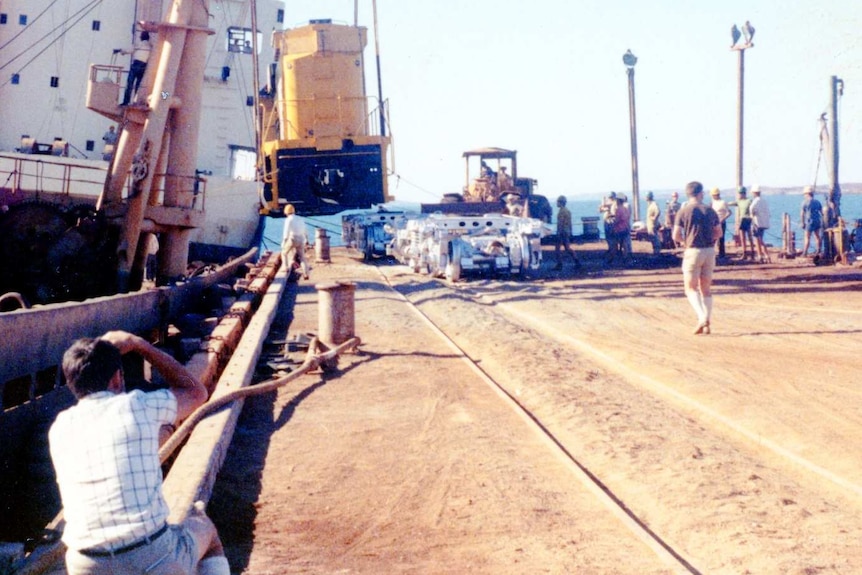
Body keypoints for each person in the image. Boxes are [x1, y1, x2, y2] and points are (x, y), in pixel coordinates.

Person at [49, 331, 229, 575]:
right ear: (116, 379)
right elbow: (197, 393)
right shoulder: (137, 405)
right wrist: (140, 345)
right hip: (149, 557)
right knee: (206, 531)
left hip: (85, 564)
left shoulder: (59, 427)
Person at [672, 181, 721, 335]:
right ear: (700, 193)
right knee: (706, 289)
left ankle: (702, 317)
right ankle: (706, 323)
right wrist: (710, 240)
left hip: (693, 251)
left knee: (690, 288)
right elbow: (718, 233)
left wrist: (685, 242)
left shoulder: (683, 211)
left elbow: (675, 235)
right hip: (709, 250)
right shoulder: (710, 210)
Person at [121, 31, 152, 106]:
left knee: (130, 84)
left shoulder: (139, 44)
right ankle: (136, 102)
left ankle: (126, 101)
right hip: (143, 66)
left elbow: (130, 50)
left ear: (142, 37)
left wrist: (121, 51)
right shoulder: (150, 46)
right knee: (138, 85)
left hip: (136, 64)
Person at [282, 203, 310, 279]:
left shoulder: (288, 220)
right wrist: (307, 239)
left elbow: (286, 232)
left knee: (284, 253)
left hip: (293, 238)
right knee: (302, 257)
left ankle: (285, 267)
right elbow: (305, 230)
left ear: (286, 212)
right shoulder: (300, 218)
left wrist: (284, 242)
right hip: (301, 239)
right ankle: (306, 274)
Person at [553, 195, 581, 270]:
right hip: (567, 231)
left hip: (562, 232)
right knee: (567, 248)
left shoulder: (562, 211)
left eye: (557, 202)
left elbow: (560, 223)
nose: (557, 203)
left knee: (557, 249)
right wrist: (570, 232)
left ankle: (559, 264)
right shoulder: (568, 211)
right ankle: (577, 261)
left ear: (560, 202)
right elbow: (570, 223)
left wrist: (558, 233)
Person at [728, 186, 754, 260]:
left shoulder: (749, 201)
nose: (739, 195)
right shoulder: (739, 201)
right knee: (742, 237)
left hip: (748, 219)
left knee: (749, 236)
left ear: (744, 193)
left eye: (740, 193)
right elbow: (730, 203)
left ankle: (752, 252)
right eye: (739, 193)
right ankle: (744, 252)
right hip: (742, 219)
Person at [799, 185, 823, 256]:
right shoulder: (817, 202)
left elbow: (802, 214)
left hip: (809, 222)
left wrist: (802, 222)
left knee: (807, 237)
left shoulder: (804, 202)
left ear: (807, 194)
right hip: (817, 221)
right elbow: (822, 213)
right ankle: (818, 250)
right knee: (817, 236)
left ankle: (805, 252)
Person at [749, 186, 771, 263]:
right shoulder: (764, 201)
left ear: (754, 193)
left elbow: (751, 209)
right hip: (763, 222)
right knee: (759, 238)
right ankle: (762, 255)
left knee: (758, 239)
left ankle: (763, 255)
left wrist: (752, 215)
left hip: (757, 222)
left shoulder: (755, 201)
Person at [709, 188, 731, 259]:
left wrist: (722, 219)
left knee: (721, 238)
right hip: (713, 223)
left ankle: (722, 254)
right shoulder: (712, 202)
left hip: (721, 223)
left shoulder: (723, 202)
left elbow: (729, 212)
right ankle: (711, 252)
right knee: (713, 238)